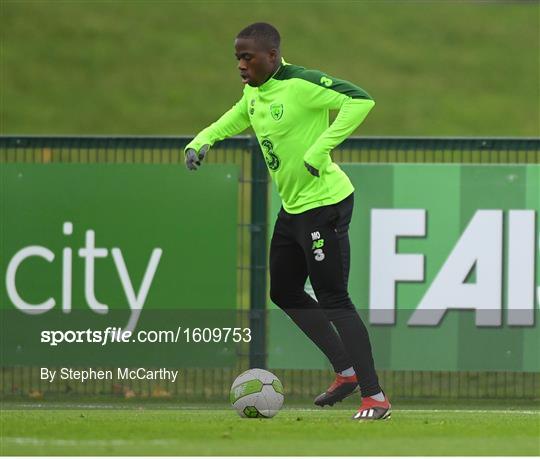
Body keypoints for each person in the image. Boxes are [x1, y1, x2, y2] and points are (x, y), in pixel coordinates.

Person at [184, 22, 391, 420]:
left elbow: (361, 100)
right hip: (293, 208)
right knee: (284, 290)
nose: (241, 65)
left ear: (272, 57)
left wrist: (319, 150)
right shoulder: (255, 93)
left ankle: (374, 397)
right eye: (238, 58)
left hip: (325, 204)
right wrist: (201, 140)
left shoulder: (301, 83)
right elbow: (235, 116)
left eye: (248, 57)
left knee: (334, 299)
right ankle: (345, 371)